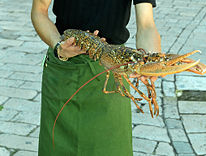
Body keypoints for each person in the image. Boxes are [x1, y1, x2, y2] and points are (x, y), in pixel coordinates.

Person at [31, 0, 161, 155]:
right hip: (63, 68)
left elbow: (146, 25)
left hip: (113, 67)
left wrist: (151, 60)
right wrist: (58, 45)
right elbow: (39, 11)